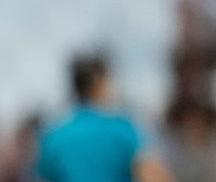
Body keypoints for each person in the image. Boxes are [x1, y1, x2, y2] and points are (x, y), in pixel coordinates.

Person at [36, 53, 171, 182]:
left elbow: (43, 177)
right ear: (101, 83)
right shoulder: (122, 129)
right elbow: (150, 173)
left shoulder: (53, 135)